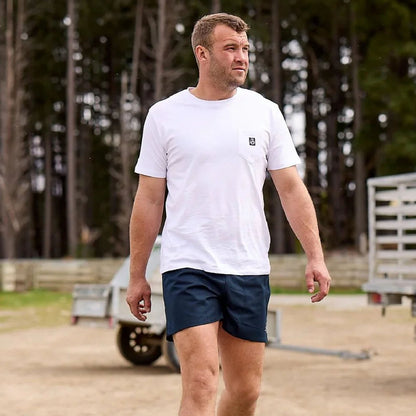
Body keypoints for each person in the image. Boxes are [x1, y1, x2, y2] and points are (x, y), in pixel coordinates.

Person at [127, 12, 331, 416]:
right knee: (202, 383)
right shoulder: (165, 115)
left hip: (247, 265)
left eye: (245, 50)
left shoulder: (265, 112)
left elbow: (290, 188)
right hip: (189, 265)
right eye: (231, 49)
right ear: (202, 54)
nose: (242, 58)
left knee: (245, 392)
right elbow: (149, 199)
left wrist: (316, 255)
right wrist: (137, 276)